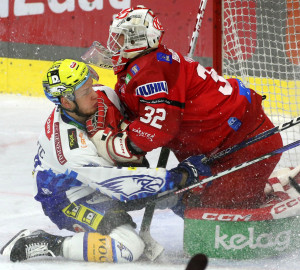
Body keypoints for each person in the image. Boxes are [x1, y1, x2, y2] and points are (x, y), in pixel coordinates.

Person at [1, 58, 209, 263]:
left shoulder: (103, 96)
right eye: (85, 93)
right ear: (66, 102)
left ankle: (207, 236)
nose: (94, 94)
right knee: (128, 247)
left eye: (90, 86)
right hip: (68, 198)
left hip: (100, 181)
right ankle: (48, 243)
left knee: (179, 194)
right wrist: (180, 176)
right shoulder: (72, 150)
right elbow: (121, 184)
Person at [82, 5, 283, 210]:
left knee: (198, 207)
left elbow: (159, 129)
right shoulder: (144, 65)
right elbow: (143, 112)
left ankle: (256, 193)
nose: (115, 43)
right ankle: (254, 190)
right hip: (227, 143)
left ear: (138, 39)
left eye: (121, 37)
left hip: (246, 145)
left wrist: (120, 146)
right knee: (189, 200)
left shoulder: (151, 71)